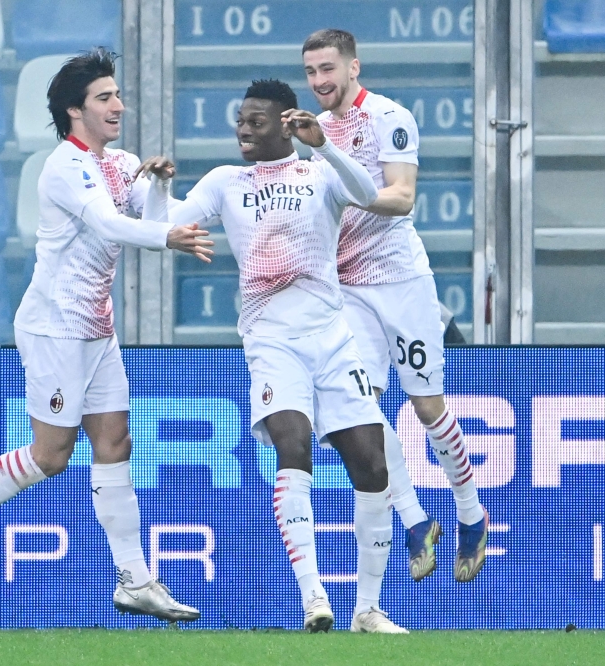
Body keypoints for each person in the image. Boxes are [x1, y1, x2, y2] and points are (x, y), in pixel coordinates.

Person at [0, 48, 211, 623]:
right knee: (51, 456)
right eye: (105, 97)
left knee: (115, 444)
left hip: (96, 328)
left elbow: (152, 215)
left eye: (117, 94)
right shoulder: (64, 166)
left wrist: (157, 188)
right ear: (75, 111)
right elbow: (107, 223)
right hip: (54, 327)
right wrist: (169, 235)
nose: (118, 105)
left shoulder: (121, 162)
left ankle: (135, 579)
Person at [167, 79, 397, 633]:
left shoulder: (319, 173)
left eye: (256, 121)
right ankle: (314, 597)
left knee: (373, 466)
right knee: (293, 448)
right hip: (271, 339)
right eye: (240, 121)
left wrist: (324, 143)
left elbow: (370, 193)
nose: (244, 129)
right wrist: (155, 189)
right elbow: (170, 219)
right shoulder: (227, 182)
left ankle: (368, 609)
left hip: (333, 339)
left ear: (284, 122)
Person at [302, 29, 489, 595]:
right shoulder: (313, 132)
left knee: (428, 408)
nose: (319, 81)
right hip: (348, 288)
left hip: (402, 283)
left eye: (328, 68)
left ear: (354, 66)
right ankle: (415, 521)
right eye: (310, 72)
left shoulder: (389, 116)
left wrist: (333, 172)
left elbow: (401, 197)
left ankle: (470, 512)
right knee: (356, 412)